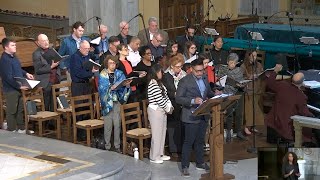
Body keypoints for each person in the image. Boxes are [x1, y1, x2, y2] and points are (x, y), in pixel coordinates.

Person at [176, 59, 217, 177]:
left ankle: (200, 162)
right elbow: (179, 98)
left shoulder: (204, 78)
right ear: (191, 70)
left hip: (203, 114)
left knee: (200, 141)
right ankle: (185, 166)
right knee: (189, 142)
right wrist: (193, 100)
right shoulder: (185, 81)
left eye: (202, 71)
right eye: (197, 71)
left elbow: (208, 92)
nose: (200, 73)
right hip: (191, 115)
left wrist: (216, 95)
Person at [265, 64, 314, 143]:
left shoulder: (282, 85)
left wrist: (275, 71)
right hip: (286, 127)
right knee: (307, 126)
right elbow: (304, 113)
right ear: (302, 83)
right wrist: (314, 116)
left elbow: (270, 83)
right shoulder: (301, 96)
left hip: (274, 121)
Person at [0, 38, 34, 133]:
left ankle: (21, 129)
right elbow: (8, 77)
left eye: (15, 45)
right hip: (11, 89)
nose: (15, 47)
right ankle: (11, 129)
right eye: (12, 45)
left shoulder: (14, 56)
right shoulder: (4, 60)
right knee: (12, 111)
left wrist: (26, 73)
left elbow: (18, 69)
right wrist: (19, 86)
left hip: (18, 87)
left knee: (20, 110)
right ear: (6, 47)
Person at [98, 55, 131, 153]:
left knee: (117, 124)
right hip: (107, 102)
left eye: (114, 63)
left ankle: (117, 145)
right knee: (108, 124)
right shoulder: (103, 73)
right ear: (107, 63)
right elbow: (101, 88)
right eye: (110, 63)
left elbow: (123, 86)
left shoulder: (120, 73)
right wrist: (110, 88)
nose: (112, 65)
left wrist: (126, 85)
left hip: (117, 101)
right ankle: (107, 145)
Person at [218, 53, 247, 142]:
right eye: (231, 62)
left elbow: (241, 81)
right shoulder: (223, 69)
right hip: (228, 93)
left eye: (234, 63)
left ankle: (238, 131)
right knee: (229, 113)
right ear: (227, 62)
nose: (232, 65)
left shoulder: (239, 70)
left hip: (238, 93)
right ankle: (229, 131)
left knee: (239, 113)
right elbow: (220, 81)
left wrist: (242, 85)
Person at [147, 64, 173, 164]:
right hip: (156, 111)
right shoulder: (152, 84)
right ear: (155, 73)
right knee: (157, 134)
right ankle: (154, 156)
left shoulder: (159, 83)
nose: (161, 73)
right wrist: (167, 108)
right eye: (159, 72)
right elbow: (159, 99)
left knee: (162, 132)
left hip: (162, 110)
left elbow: (165, 95)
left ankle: (160, 153)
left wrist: (169, 105)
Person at [162, 54, 186, 156]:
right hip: (172, 104)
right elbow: (169, 91)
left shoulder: (183, 74)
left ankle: (181, 147)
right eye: (177, 67)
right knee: (172, 126)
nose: (179, 69)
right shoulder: (167, 76)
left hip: (182, 103)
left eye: (180, 66)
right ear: (172, 66)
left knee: (181, 125)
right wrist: (177, 93)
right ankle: (173, 149)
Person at [33, 34, 60, 112]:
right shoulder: (36, 54)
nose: (46, 42)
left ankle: (54, 122)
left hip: (56, 80)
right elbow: (38, 70)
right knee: (46, 104)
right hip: (46, 82)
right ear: (38, 43)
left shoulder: (52, 50)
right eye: (43, 41)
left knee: (55, 103)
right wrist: (51, 67)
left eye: (47, 40)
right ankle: (46, 123)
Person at [240, 50, 264, 135]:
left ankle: (253, 126)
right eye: (253, 55)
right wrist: (250, 77)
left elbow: (262, 73)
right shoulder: (243, 66)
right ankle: (247, 126)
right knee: (249, 110)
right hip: (248, 90)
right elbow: (241, 77)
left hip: (257, 89)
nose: (255, 58)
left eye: (256, 56)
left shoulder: (258, 65)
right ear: (248, 56)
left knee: (256, 109)